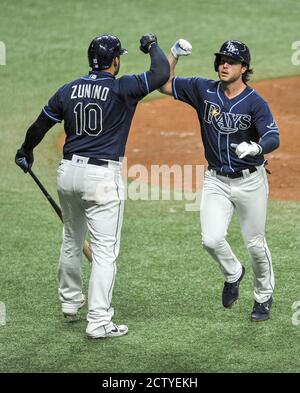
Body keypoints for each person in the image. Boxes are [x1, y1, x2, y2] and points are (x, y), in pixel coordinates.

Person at [15, 33, 170, 338]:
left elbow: (39, 125)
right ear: (115, 61)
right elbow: (161, 72)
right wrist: (151, 45)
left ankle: (71, 303)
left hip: (68, 173)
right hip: (101, 178)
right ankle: (99, 321)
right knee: (104, 251)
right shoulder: (123, 86)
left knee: (72, 238)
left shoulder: (69, 89)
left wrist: (25, 150)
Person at [159, 39, 279, 321]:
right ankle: (233, 272)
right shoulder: (204, 89)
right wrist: (173, 55)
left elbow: (273, 136)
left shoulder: (255, 102)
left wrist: (258, 148)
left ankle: (263, 297)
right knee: (211, 240)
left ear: (244, 68)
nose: (225, 65)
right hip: (216, 180)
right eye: (222, 60)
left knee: (256, 245)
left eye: (232, 61)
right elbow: (163, 84)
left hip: (250, 182)